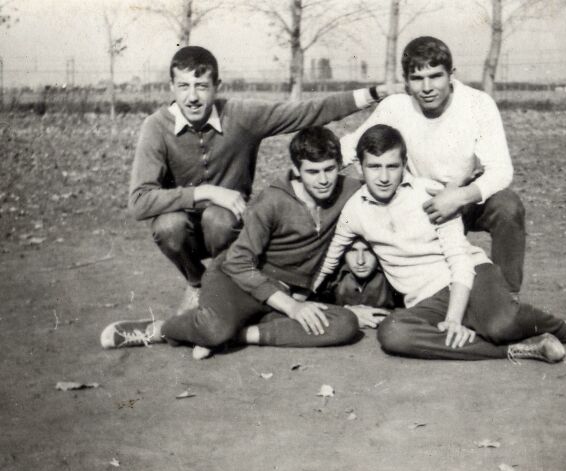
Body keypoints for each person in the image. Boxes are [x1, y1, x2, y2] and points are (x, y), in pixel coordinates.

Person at [316, 125, 566, 363]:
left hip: (470, 277)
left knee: (500, 324)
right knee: (394, 333)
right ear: (360, 168)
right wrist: (302, 298)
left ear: (404, 165)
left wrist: (453, 318)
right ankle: (519, 350)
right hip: (425, 300)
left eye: (391, 166)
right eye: (374, 167)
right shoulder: (354, 210)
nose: (383, 177)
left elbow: (459, 260)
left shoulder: (429, 195)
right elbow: (330, 260)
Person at [129, 46, 399, 312]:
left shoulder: (240, 116)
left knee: (217, 218)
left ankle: (225, 286)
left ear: (217, 86)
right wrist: (207, 191)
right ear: (171, 87)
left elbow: (305, 111)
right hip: (183, 228)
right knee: (168, 225)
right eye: (183, 86)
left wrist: (373, 93)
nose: (192, 97)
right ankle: (198, 283)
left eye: (201, 86)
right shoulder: (156, 127)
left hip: (228, 226)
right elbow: (139, 201)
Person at [103, 127, 362, 359]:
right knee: (214, 328)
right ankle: (158, 330)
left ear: (339, 164)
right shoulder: (273, 200)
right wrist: (292, 307)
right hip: (239, 279)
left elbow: (386, 186)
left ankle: (239, 334)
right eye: (313, 172)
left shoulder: (349, 190)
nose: (324, 180)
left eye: (329, 169)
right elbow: (238, 262)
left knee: (346, 324)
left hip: (286, 293)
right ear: (296, 170)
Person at [340, 36, 524, 294]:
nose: (427, 87)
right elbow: (352, 146)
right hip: (417, 203)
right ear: (406, 81)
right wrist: (308, 165)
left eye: (435, 76)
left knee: (507, 206)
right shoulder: (397, 106)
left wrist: (458, 196)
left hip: (464, 198)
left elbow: (501, 170)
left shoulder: (477, 103)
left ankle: (507, 296)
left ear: (451, 75)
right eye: (417, 79)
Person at [321, 237, 402, 329]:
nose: (360, 261)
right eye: (352, 250)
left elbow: (414, 312)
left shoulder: (394, 276)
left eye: (368, 250)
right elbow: (311, 309)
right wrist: (349, 313)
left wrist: (382, 314)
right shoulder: (329, 277)